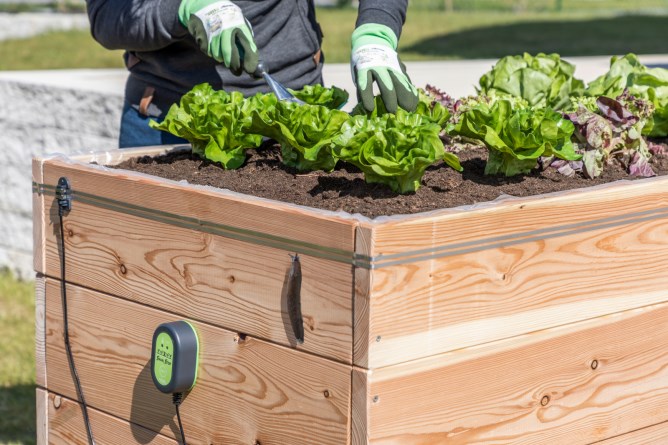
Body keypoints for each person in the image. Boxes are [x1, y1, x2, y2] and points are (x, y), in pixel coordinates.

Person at [86, 0, 419, 148]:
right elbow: (107, 14)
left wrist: (376, 29)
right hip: (168, 121)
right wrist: (183, 9)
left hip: (294, 121)